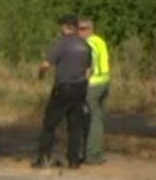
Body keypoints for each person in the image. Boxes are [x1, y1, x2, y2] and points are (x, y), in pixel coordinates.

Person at [35, 14, 92, 169]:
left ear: (67, 27)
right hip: (80, 88)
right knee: (75, 126)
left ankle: (43, 157)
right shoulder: (85, 46)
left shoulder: (62, 44)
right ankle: (73, 161)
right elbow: (88, 70)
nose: (60, 29)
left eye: (62, 26)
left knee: (50, 123)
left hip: (64, 87)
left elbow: (46, 64)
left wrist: (40, 73)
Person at [79, 18, 111, 165]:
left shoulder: (88, 44)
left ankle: (90, 154)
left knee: (89, 120)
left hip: (92, 85)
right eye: (78, 29)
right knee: (97, 120)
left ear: (90, 29)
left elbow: (88, 67)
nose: (79, 32)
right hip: (104, 82)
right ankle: (96, 153)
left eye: (82, 29)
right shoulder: (100, 41)